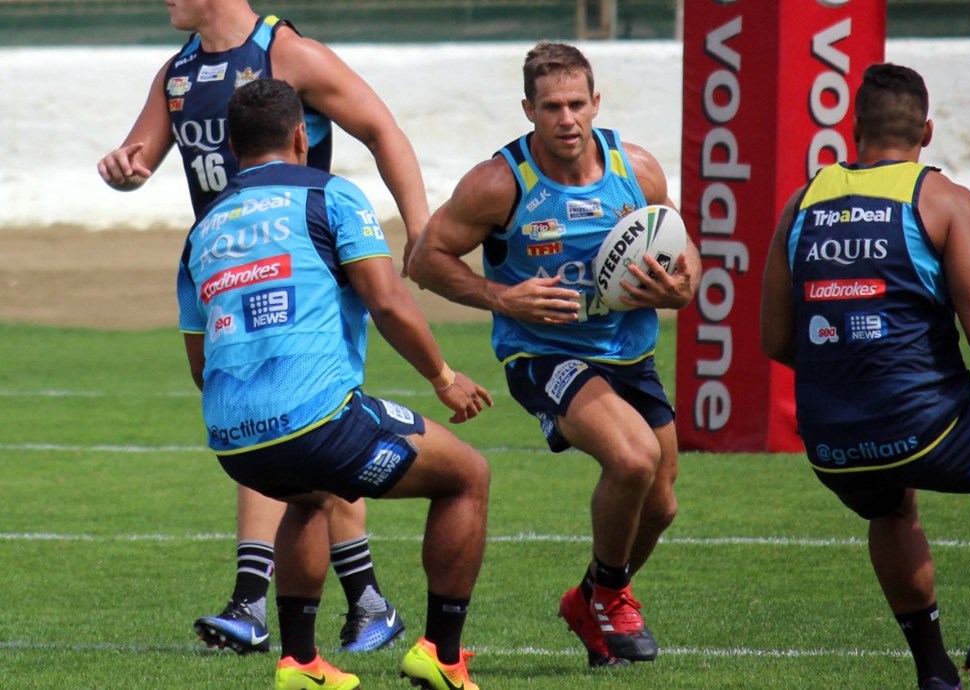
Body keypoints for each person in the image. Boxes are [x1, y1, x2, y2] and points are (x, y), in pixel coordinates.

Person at [97, 0, 431, 653]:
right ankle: (362, 600)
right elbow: (139, 159)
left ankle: (257, 602)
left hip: (301, 266)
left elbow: (381, 129)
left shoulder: (288, 53)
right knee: (277, 420)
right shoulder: (177, 73)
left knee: (286, 415)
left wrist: (419, 227)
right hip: (233, 268)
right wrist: (124, 173)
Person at [759, 62, 970, 690]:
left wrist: (853, 368)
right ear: (928, 132)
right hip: (927, 427)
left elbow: (776, 340)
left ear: (853, 129)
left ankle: (935, 673)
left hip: (831, 442)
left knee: (891, 508)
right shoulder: (942, 198)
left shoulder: (801, 203)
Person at [177, 78, 490, 690]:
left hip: (233, 441)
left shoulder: (203, 229)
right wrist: (443, 377)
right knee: (467, 477)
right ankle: (442, 656)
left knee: (311, 496)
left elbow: (199, 363)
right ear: (302, 135)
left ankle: (300, 662)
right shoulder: (331, 195)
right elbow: (388, 302)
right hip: (318, 420)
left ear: (233, 147)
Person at [407, 41, 700, 668]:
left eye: (576, 104)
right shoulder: (499, 183)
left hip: (628, 352)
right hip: (544, 354)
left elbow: (679, 243)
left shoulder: (636, 169)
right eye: (550, 107)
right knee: (633, 458)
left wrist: (682, 287)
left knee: (661, 503)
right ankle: (613, 597)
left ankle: (587, 599)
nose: (566, 119)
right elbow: (424, 259)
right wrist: (502, 297)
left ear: (596, 103)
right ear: (528, 110)